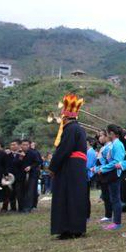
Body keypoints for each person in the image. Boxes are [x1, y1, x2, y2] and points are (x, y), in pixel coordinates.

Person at [49, 94, 89, 239]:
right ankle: (77, 228)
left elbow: (63, 150)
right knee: (76, 196)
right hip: (77, 168)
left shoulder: (70, 129)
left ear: (65, 116)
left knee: (66, 197)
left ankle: (67, 228)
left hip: (69, 168)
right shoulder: (79, 129)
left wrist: (53, 167)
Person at [98, 125, 125, 231]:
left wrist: (104, 168)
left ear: (112, 134)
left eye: (107, 133)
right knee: (113, 198)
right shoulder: (114, 144)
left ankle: (117, 222)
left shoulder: (117, 144)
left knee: (115, 198)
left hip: (115, 173)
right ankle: (115, 221)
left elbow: (117, 161)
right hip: (111, 173)